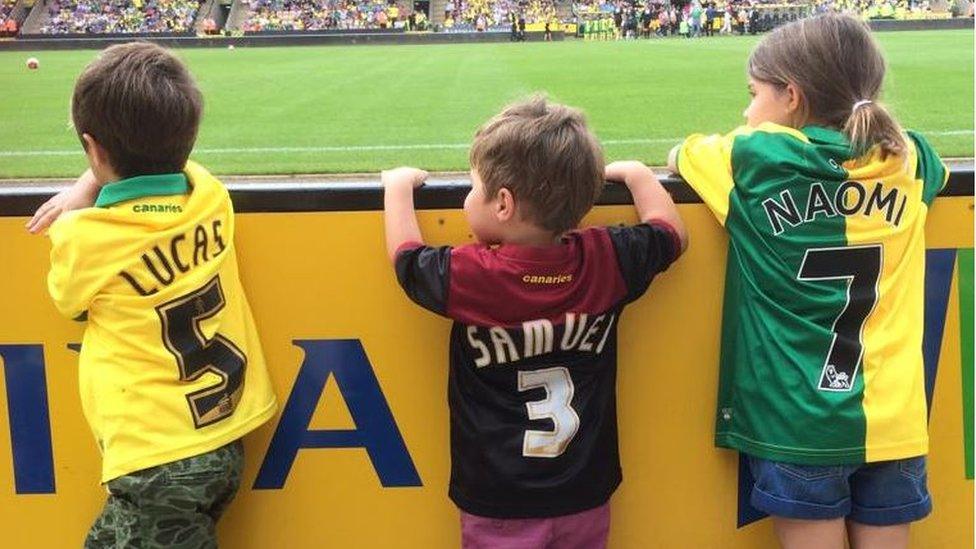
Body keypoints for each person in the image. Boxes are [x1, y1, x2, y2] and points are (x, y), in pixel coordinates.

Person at [668, 14, 942, 549]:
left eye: (753, 94)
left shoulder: (752, 158)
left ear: (791, 95)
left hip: (798, 423)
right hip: (894, 421)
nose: (747, 111)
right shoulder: (913, 160)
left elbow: (683, 154)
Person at [384, 97, 687, 548]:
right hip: (585, 492)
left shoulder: (473, 276)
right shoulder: (608, 260)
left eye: (474, 186)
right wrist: (638, 175)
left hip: (498, 498)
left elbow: (406, 259)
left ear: (503, 203)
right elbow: (671, 233)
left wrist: (398, 187)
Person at [26, 42, 277, 548]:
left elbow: (69, 303)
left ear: (93, 149)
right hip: (226, 431)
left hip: (157, 457)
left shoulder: (85, 238)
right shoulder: (209, 197)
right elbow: (169, 158)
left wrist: (79, 194)